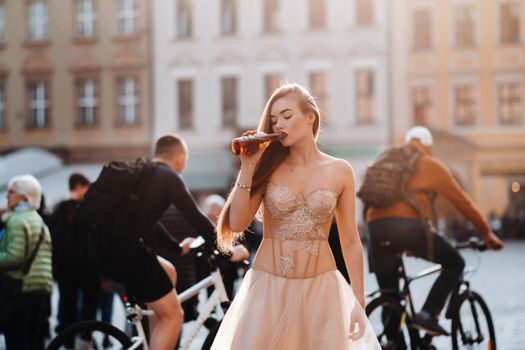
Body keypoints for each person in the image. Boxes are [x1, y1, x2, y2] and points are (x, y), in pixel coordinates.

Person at [211, 83, 380, 349]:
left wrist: (359, 301)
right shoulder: (268, 168)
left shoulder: (340, 170)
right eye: (274, 119)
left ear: (310, 116)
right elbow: (237, 223)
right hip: (269, 290)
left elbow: (350, 241)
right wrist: (248, 167)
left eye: (287, 116)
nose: (279, 124)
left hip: (322, 291)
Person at [97, 134, 247, 350]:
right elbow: (196, 218)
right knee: (174, 316)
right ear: (180, 157)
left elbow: (152, 224)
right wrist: (227, 252)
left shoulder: (143, 173)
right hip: (131, 254)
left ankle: (150, 342)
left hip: (111, 252)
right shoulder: (168, 176)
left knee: (168, 272)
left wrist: (176, 248)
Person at [366, 126, 505, 337]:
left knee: (390, 297)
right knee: (455, 263)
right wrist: (486, 233)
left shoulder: (386, 162)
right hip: (407, 228)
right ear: (428, 146)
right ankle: (428, 314)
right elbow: (463, 202)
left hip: (375, 229)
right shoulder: (429, 164)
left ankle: (391, 342)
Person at [0, 175, 53, 350]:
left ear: (23, 197)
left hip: (19, 289)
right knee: (33, 341)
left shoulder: (16, 220)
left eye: (11, 192)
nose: (7, 196)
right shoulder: (38, 220)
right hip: (39, 288)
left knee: (17, 342)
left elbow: (14, 258)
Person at [50, 173, 100, 337]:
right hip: (87, 268)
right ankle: (86, 338)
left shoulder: (58, 210)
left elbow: (54, 240)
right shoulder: (86, 209)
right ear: (79, 186)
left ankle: (67, 340)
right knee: (89, 304)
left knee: (66, 304)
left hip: (64, 269)